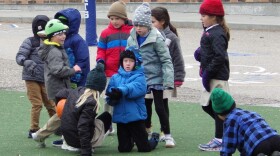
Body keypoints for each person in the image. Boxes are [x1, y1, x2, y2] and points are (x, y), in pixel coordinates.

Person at [126, 2, 175, 148]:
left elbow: (166, 60)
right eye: (136, 25)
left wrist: (168, 80)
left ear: (148, 25)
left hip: (157, 77)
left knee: (160, 107)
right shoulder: (132, 38)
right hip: (141, 77)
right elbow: (128, 57)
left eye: (141, 25)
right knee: (144, 106)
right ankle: (146, 131)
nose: (138, 28)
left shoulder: (156, 38)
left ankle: (167, 135)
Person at [105, 47, 159, 152]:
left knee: (144, 148)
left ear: (136, 63)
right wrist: (112, 97)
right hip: (121, 118)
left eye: (131, 61)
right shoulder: (115, 77)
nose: (128, 64)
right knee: (123, 149)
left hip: (136, 118)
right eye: (125, 61)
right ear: (121, 62)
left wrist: (120, 91)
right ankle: (131, 140)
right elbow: (109, 95)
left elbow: (135, 88)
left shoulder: (140, 76)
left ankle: (154, 138)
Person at [194, 0, 231, 151]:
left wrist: (208, 72)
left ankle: (220, 139)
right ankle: (227, 127)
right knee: (206, 105)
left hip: (217, 77)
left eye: (204, 15)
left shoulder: (217, 33)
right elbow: (210, 50)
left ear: (214, 16)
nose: (201, 18)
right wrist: (201, 53)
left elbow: (219, 56)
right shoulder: (210, 30)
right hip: (211, 76)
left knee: (218, 109)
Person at [146, 6, 186, 141]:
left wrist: (178, 77)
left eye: (153, 22)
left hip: (164, 78)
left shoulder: (171, 38)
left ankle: (165, 131)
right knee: (146, 104)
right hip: (149, 77)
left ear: (162, 21)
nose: (150, 24)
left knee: (162, 105)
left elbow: (177, 58)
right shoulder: (148, 35)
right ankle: (147, 128)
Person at [55, 64, 111, 155]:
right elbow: (83, 126)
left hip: (67, 136)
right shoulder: (91, 102)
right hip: (77, 141)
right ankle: (88, 144)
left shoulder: (77, 90)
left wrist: (61, 107)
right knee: (106, 117)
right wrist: (86, 151)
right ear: (101, 87)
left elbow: (59, 94)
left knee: (88, 120)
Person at [15, 15, 56, 138]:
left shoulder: (52, 42)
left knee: (51, 104)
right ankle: (33, 128)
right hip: (32, 78)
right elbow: (20, 55)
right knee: (37, 104)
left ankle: (58, 126)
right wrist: (25, 61)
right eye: (39, 31)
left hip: (46, 79)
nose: (41, 33)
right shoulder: (30, 41)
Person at [96, 0, 133, 134]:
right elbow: (100, 50)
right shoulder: (105, 33)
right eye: (112, 18)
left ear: (124, 18)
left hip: (126, 71)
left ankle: (126, 122)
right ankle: (107, 124)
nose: (115, 21)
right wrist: (100, 61)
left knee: (125, 97)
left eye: (117, 18)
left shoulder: (131, 31)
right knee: (109, 99)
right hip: (110, 72)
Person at [210, 88, 280, 156]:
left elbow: (227, 149)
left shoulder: (230, 120)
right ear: (234, 104)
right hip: (275, 138)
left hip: (257, 145)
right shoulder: (252, 113)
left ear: (219, 115)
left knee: (254, 150)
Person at [54, 8, 90, 88]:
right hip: (63, 77)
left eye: (64, 23)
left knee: (75, 98)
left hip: (76, 80)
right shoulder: (58, 38)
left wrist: (75, 77)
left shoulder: (78, 41)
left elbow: (82, 61)